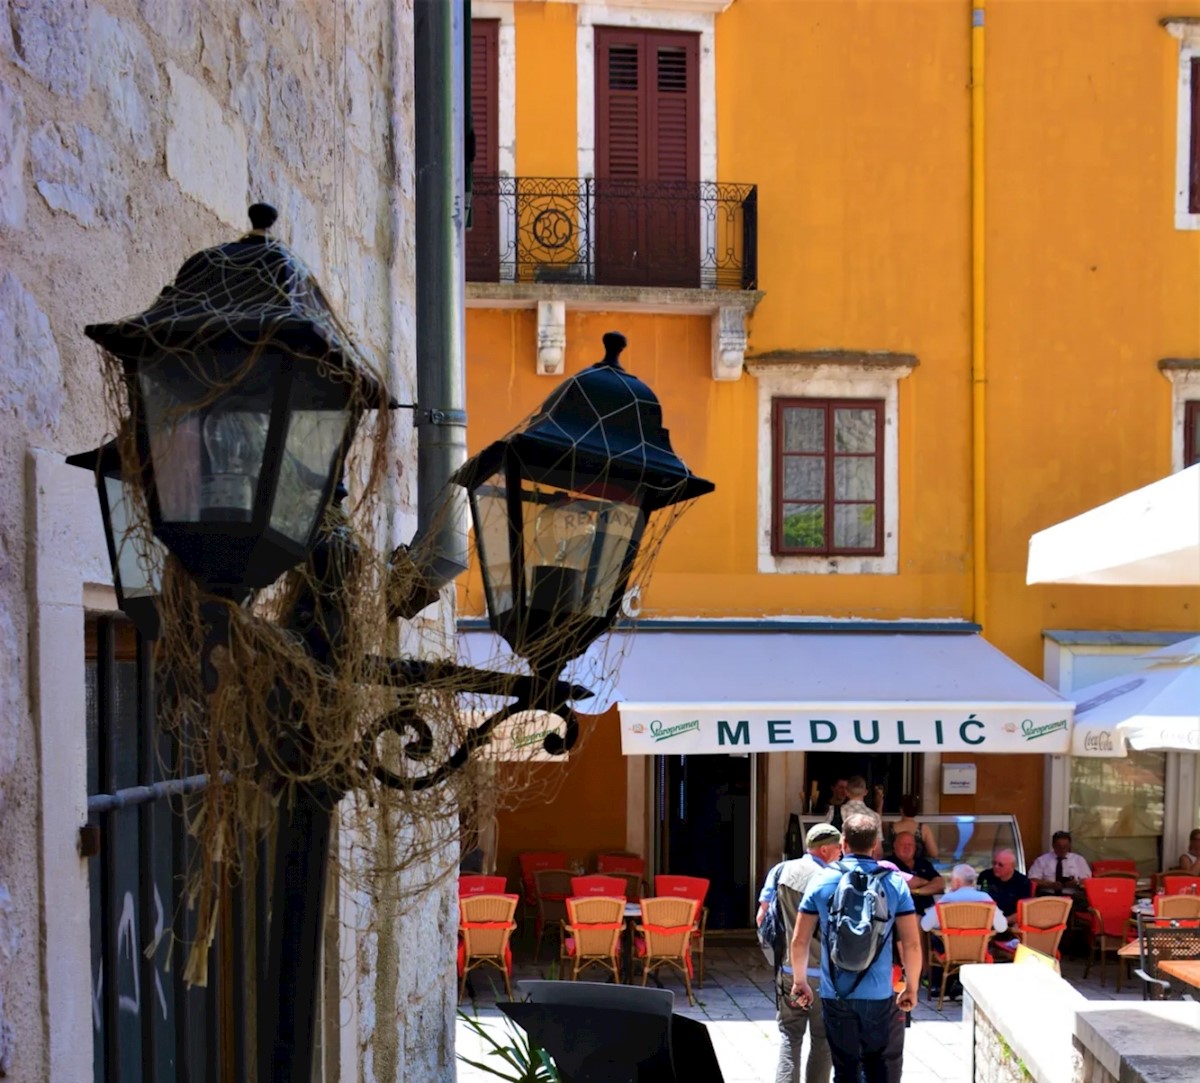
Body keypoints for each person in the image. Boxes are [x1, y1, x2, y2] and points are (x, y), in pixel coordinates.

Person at [789, 814, 921, 1083]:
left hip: (835, 991)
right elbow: (911, 943)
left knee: (845, 1069)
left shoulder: (822, 880)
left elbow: (800, 940)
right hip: (879, 993)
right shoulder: (894, 883)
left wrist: (799, 981)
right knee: (876, 1066)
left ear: (844, 842)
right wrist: (912, 987)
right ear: (875, 845)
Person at [757, 823, 842, 1083]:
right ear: (825, 849)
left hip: (789, 971)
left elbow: (762, 918)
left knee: (789, 1036)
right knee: (823, 1040)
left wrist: (778, 959)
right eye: (838, 848)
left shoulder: (780, 871)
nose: (841, 853)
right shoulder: (834, 878)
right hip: (824, 976)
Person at [919, 864, 1008, 936]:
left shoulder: (947, 899)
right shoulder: (985, 899)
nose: (950, 883)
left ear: (957, 882)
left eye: (951, 880)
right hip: (979, 952)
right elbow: (1002, 927)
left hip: (949, 952)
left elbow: (925, 925)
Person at [889, 831, 944, 916]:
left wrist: (916, 891)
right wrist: (927, 884)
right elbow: (911, 882)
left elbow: (940, 885)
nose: (906, 847)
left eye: (910, 844)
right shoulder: (889, 864)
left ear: (915, 847)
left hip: (928, 914)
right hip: (901, 915)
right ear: (894, 846)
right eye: (902, 844)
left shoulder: (923, 863)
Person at [977, 848, 1033, 921]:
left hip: (1010, 921)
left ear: (1012, 866)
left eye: (1000, 865)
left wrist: (1004, 922)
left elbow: (1024, 910)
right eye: (994, 863)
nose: (996, 867)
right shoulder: (985, 876)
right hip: (985, 919)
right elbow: (978, 900)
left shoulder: (1023, 882)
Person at [886, 794, 939, 860]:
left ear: (901, 809)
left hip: (896, 865)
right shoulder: (923, 828)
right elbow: (934, 853)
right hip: (917, 866)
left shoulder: (890, 827)